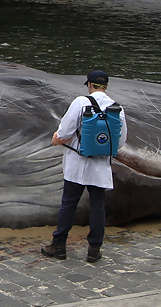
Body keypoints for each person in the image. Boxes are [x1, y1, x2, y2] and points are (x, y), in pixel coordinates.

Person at [41, 70, 128, 264]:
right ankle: (94, 250)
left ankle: (59, 246)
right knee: (98, 207)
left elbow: (63, 133)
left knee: (68, 205)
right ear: (105, 86)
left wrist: (56, 139)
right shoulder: (117, 108)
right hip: (101, 166)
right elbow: (121, 141)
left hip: (77, 164)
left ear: (89, 85)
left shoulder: (81, 103)